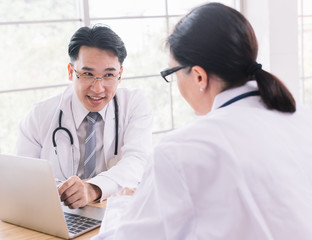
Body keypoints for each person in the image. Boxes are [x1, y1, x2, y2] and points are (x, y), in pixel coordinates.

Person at [93, 3, 312, 240]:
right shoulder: (302, 116)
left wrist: (123, 206)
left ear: (198, 76)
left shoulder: (183, 148)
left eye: (172, 73)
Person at [15, 25, 153, 209]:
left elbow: (138, 160)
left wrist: (93, 189)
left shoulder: (134, 104)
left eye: (109, 75)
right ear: (71, 72)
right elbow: (23, 177)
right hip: (58, 215)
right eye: (88, 74)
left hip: (113, 210)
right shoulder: (39, 115)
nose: (98, 88)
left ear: (120, 75)